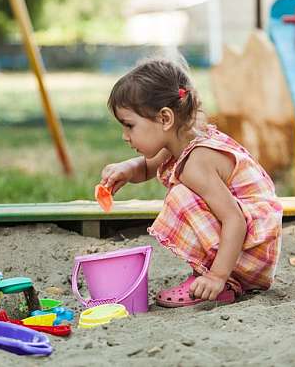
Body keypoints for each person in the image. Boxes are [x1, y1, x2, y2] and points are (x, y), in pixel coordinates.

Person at [100, 58, 282, 307]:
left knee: (180, 196)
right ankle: (216, 274)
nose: (125, 136)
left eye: (129, 126)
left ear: (165, 118)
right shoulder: (180, 139)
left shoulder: (197, 162)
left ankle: (222, 282)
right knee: (182, 193)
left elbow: (234, 220)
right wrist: (126, 169)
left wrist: (217, 277)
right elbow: (146, 167)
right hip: (245, 245)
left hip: (251, 248)